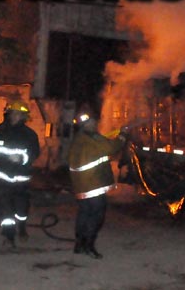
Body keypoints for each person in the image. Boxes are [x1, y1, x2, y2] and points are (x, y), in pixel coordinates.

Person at [68, 105, 125, 259]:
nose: (95, 124)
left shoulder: (80, 138)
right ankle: (89, 245)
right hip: (93, 185)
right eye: (94, 121)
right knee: (96, 216)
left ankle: (79, 245)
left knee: (84, 214)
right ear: (90, 123)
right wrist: (122, 136)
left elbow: (101, 145)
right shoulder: (93, 138)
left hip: (81, 185)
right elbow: (111, 147)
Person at [0, 99, 40, 248]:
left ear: (24, 117)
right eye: (13, 113)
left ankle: (22, 228)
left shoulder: (30, 135)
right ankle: (9, 235)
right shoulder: (1, 131)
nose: (15, 116)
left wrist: (22, 158)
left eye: (18, 114)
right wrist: (4, 157)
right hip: (3, 176)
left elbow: (35, 153)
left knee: (21, 208)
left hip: (21, 177)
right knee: (5, 208)